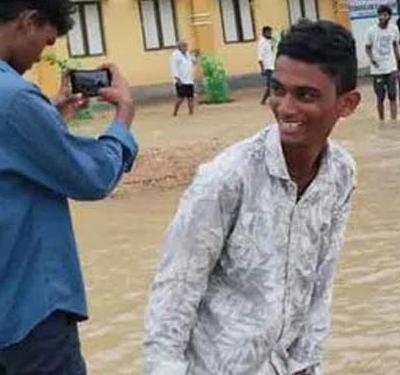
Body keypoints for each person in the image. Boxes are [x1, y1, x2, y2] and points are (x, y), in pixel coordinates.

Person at [144, 20, 358, 375]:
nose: (286, 108)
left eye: (305, 95)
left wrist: (307, 362)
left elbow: (321, 283)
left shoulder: (340, 174)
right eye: (279, 90)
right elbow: (173, 296)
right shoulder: (226, 179)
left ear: (346, 104)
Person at [0, 0, 138, 374]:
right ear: (28, 21)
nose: (42, 54)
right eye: (46, 40)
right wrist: (122, 119)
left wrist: (50, 119)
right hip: (28, 313)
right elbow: (91, 178)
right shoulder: (12, 96)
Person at [365, 5, 400, 122]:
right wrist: (372, 59)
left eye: (385, 15)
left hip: (391, 67)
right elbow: (367, 48)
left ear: (389, 17)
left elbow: (396, 46)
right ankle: (381, 119)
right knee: (380, 97)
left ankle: (394, 120)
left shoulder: (394, 29)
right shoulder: (371, 31)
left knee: (392, 95)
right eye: (380, 15)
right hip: (377, 70)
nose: (382, 17)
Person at [170, 40, 196, 117]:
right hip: (181, 80)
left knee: (190, 97)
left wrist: (196, 56)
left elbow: (194, 61)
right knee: (180, 98)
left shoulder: (188, 54)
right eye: (183, 46)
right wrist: (177, 79)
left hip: (189, 79)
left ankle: (191, 112)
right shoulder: (175, 55)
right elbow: (173, 67)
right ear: (179, 47)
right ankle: (175, 112)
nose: (185, 48)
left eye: (186, 46)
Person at [257, 25, 276, 105]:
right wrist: (262, 69)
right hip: (268, 67)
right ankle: (263, 100)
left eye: (270, 32)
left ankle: (266, 100)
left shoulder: (270, 41)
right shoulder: (262, 42)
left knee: (273, 85)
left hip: (273, 66)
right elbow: (260, 57)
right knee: (270, 85)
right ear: (264, 33)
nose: (270, 34)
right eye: (268, 32)